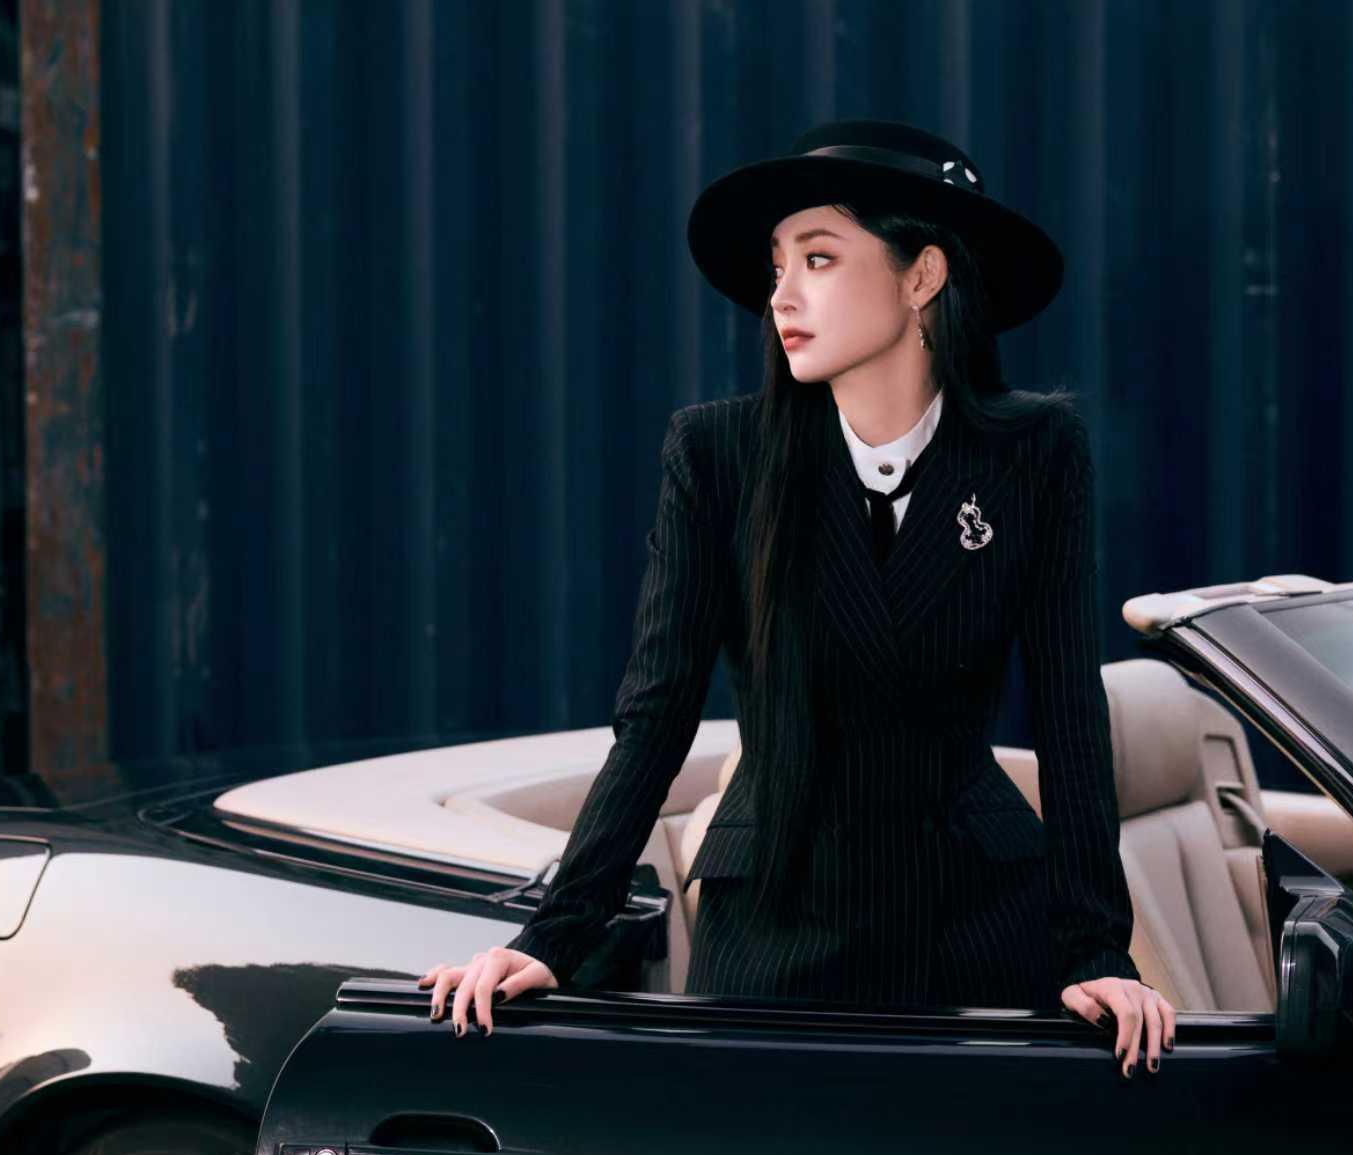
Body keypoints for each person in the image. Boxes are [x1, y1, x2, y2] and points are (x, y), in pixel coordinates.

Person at [420, 119, 1174, 1079]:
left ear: (921, 277)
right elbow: (655, 715)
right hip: (775, 923)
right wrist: (553, 935)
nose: (781, 295)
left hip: (978, 917)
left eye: (818, 259)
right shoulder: (719, 455)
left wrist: (1096, 949)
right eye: (777, 265)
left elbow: (1069, 712)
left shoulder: (1033, 453)